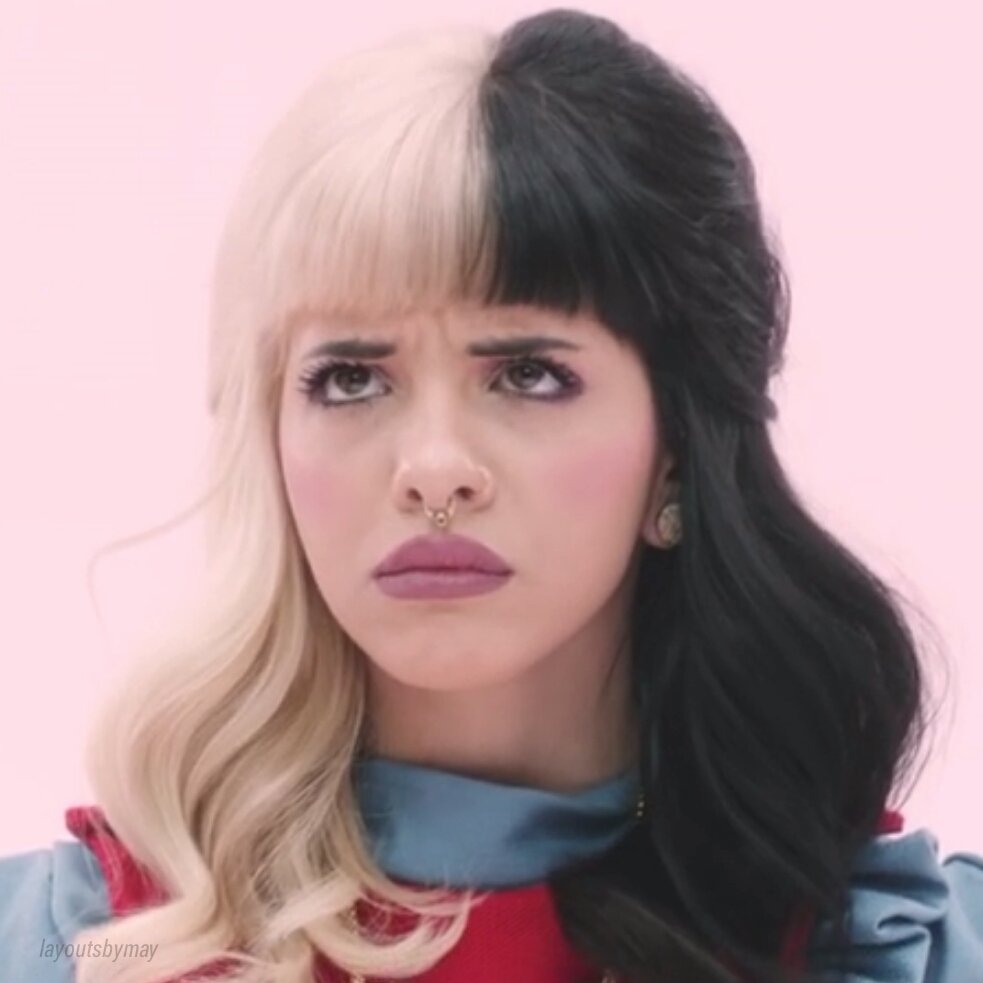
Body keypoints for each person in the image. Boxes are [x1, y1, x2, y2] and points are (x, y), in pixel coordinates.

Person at [1, 8, 981, 983]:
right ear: (272, 436)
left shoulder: (895, 946)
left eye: (527, 373)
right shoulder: (77, 942)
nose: (433, 467)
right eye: (351, 378)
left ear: (675, 453)